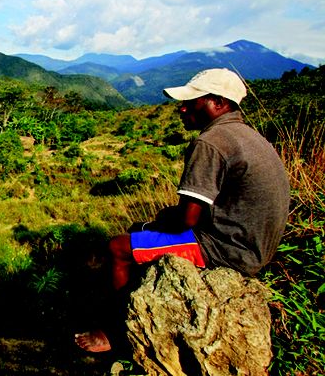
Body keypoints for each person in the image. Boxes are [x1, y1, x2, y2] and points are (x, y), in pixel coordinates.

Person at [75, 68, 290, 353]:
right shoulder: (249, 137)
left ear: (218, 103)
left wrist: (152, 224)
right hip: (253, 246)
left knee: (118, 248)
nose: (183, 107)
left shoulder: (211, 143)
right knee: (140, 233)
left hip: (223, 248)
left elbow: (186, 219)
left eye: (193, 100)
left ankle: (115, 332)